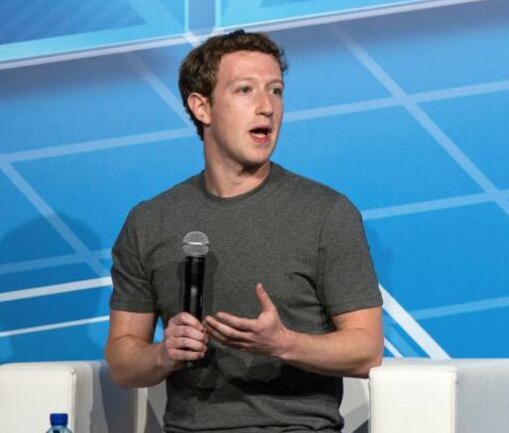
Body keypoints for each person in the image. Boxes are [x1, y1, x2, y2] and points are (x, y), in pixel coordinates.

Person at [105, 30, 383, 432]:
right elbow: (122, 361)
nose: (267, 107)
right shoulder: (151, 221)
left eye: (276, 91)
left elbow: (366, 350)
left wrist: (285, 344)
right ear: (202, 107)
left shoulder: (326, 213)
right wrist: (164, 354)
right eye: (245, 90)